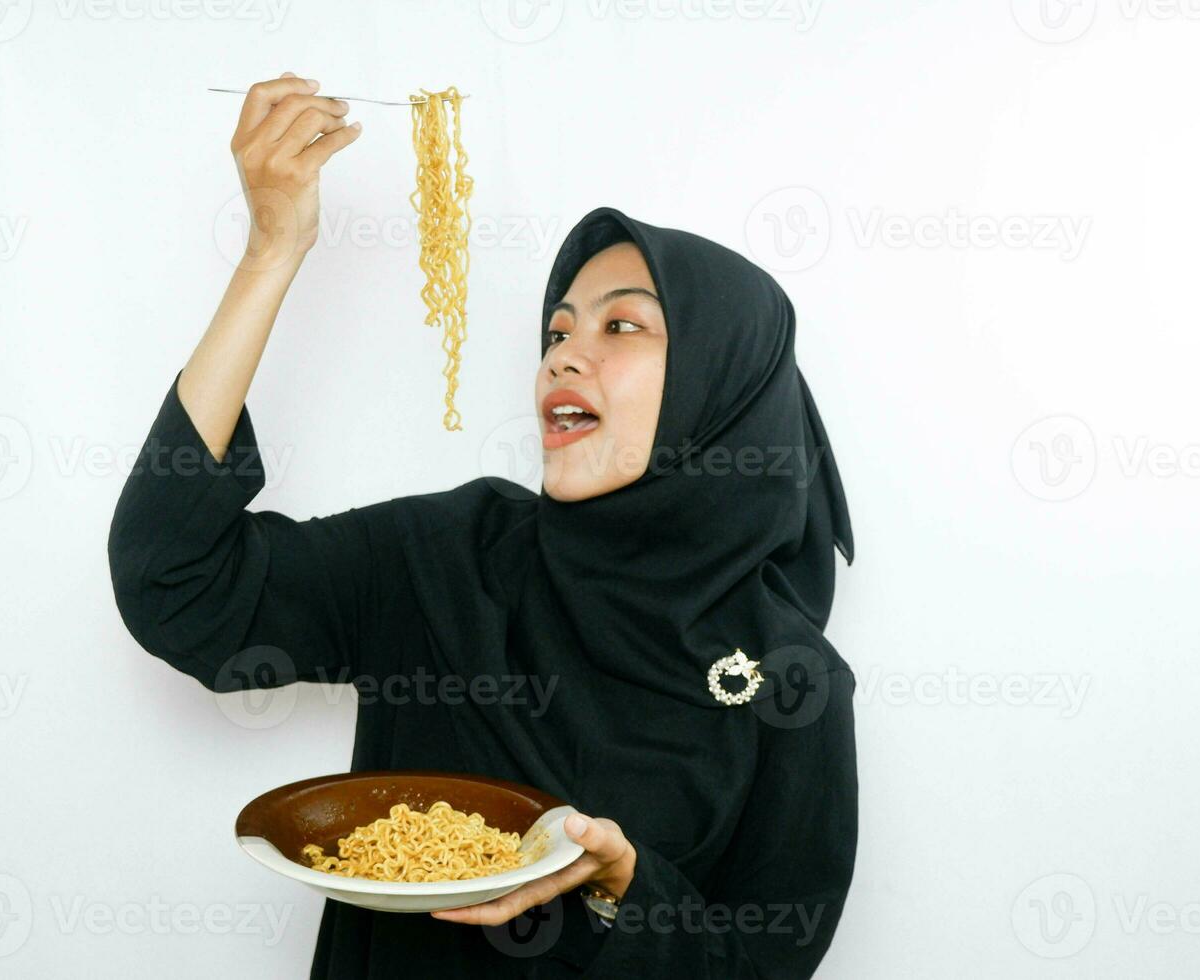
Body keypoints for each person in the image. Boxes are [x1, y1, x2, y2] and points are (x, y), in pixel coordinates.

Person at [108, 72, 858, 978]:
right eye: (556, 332)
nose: (565, 354)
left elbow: (764, 965)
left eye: (624, 327)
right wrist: (272, 250)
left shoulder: (789, 676)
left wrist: (628, 882)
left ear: (721, 390)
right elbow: (177, 585)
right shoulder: (446, 557)